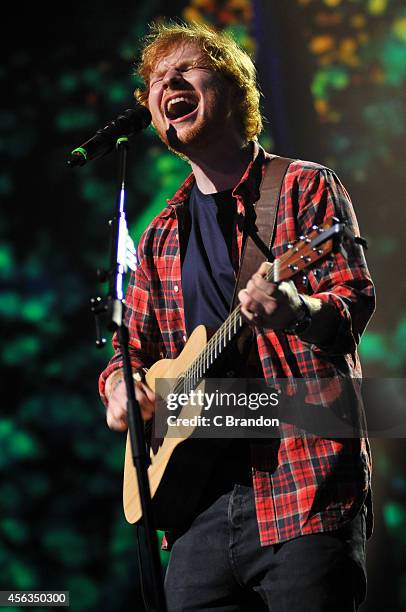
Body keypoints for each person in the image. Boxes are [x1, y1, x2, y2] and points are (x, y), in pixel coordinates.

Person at [99, 21, 375, 612]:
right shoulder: (159, 236)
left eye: (186, 69)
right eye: (155, 79)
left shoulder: (302, 187)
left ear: (235, 89)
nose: (166, 81)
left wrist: (296, 308)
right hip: (193, 507)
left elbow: (350, 304)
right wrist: (122, 386)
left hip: (299, 491)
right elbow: (130, 353)